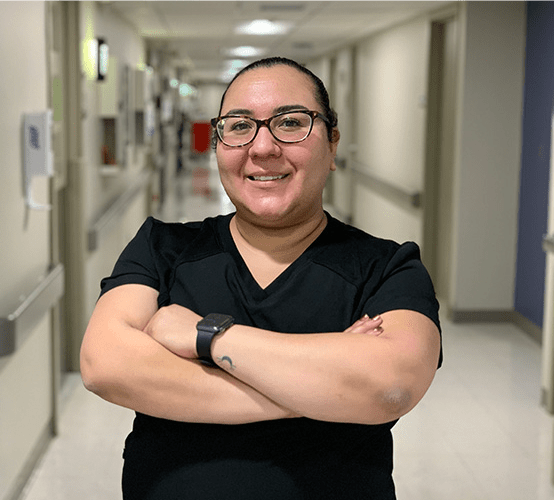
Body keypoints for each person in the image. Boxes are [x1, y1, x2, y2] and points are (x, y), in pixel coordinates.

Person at [80, 56, 442, 500]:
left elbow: (391, 385)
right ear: (218, 144)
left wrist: (206, 336)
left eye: (291, 123)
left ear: (332, 144)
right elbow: (105, 365)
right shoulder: (164, 249)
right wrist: (320, 394)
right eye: (238, 126)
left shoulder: (386, 267)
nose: (263, 147)